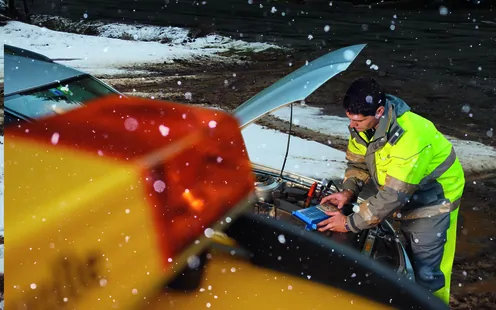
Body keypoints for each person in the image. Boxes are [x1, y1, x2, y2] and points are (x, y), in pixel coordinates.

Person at [317, 77, 465, 304]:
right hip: (404, 193)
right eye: (349, 118)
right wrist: (348, 192)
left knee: (427, 272)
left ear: (378, 111)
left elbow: (394, 195)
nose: (352, 125)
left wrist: (349, 224)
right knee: (407, 254)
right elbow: (358, 163)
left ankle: (433, 304)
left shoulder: (410, 136)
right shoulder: (362, 126)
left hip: (434, 200)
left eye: (358, 120)